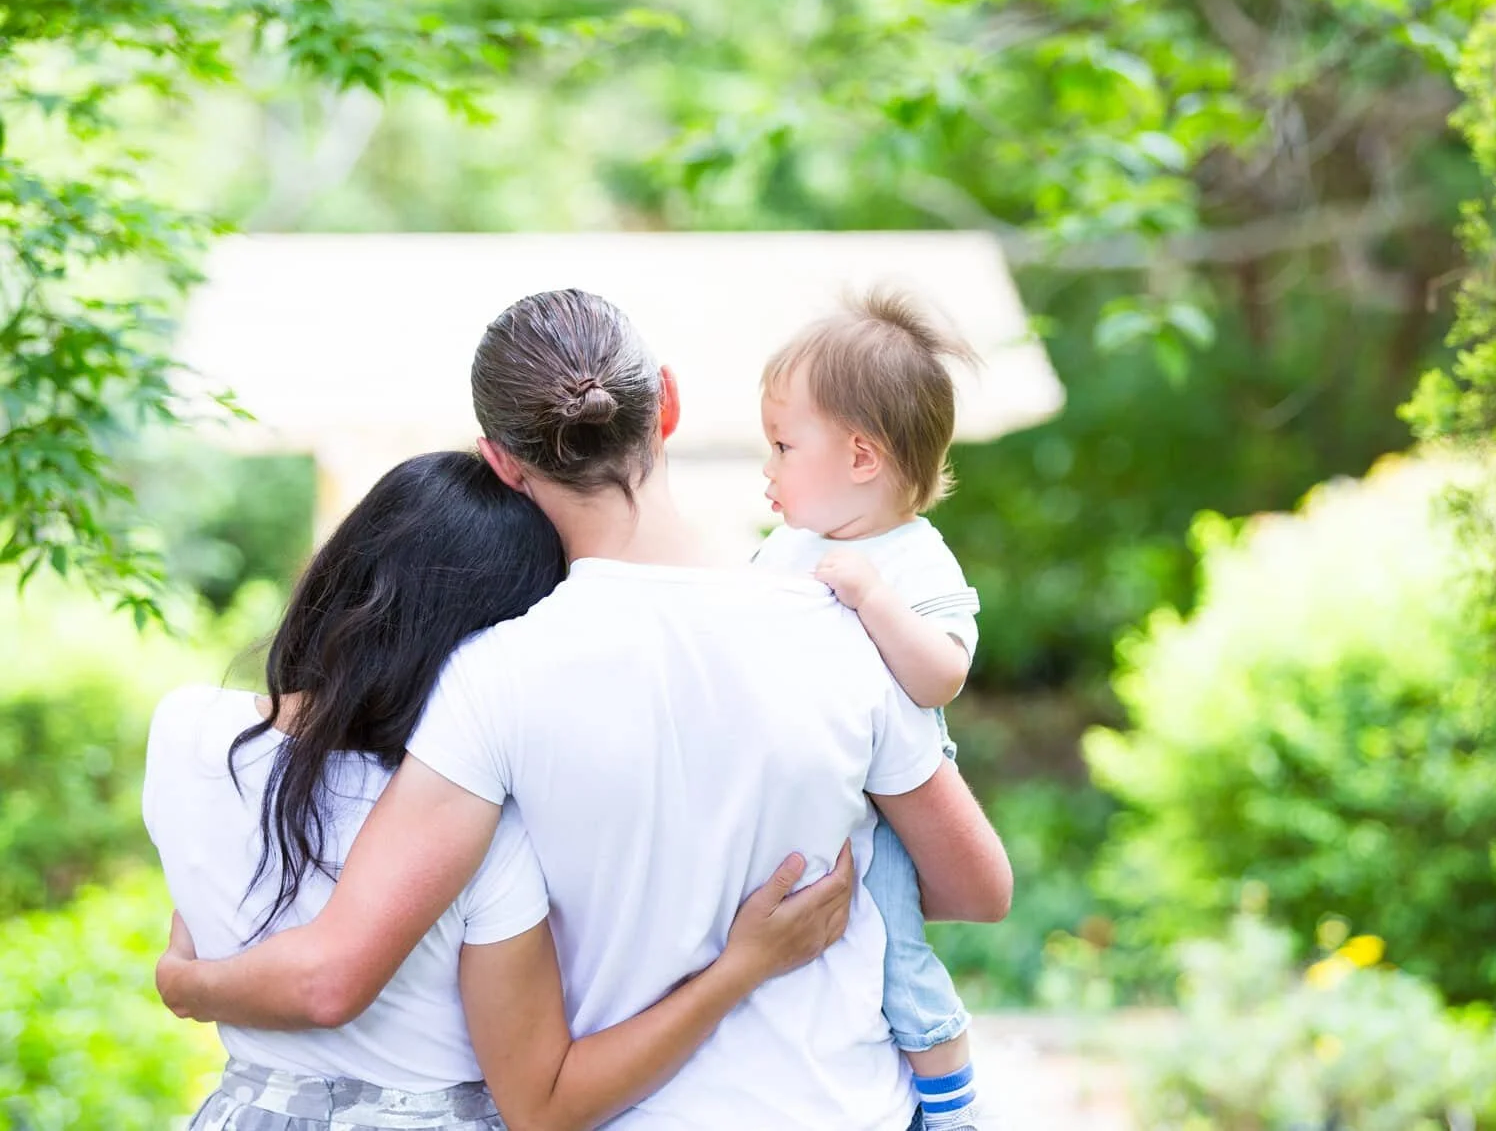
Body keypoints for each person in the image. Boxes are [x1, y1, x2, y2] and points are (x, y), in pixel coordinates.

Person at [156, 289, 1013, 1131]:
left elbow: (341, 964)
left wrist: (189, 984)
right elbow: (975, 887)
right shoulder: (845, 633)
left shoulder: (490, 679)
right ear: (667, 403)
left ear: (500, 461)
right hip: (845, 1105)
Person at [146, 450, 854, 1130]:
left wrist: (185, 985)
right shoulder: (471, 828)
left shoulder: (186, 731)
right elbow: (544, 1106)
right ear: (488, 634)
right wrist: (743, 967)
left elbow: (197, 927)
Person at [755, 289, 987, 1130]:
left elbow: (940, 679)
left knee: (890, 948)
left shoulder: (912, 560)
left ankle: (948, 1095)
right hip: (807, 786)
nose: (767, 467)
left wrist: (874, 600)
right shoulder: (784, 548)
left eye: (782, 445)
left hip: (889, 804)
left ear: (861, 457)